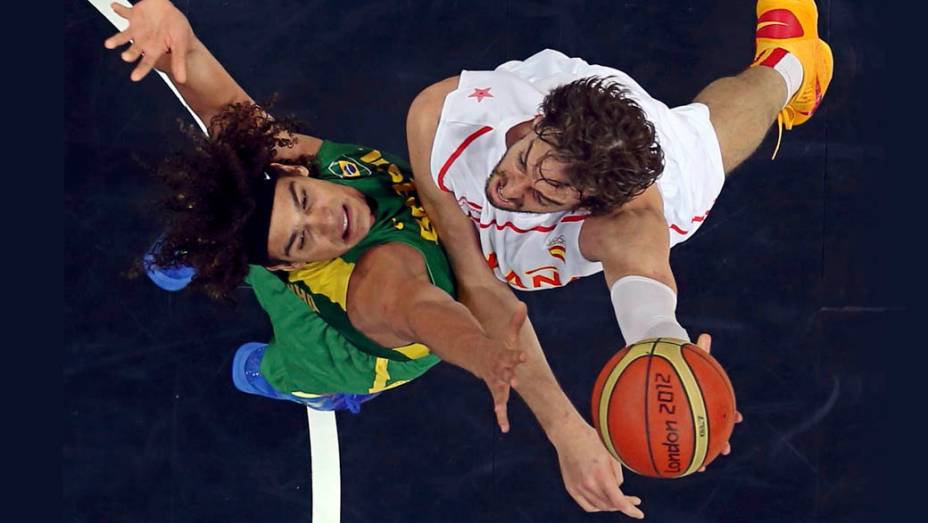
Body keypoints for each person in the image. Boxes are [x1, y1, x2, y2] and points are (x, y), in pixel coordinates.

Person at [403, 0, 830, 516]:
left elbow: (648, 308)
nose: (514, 187)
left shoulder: (627, 221)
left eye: (545, 194)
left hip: (648, 173)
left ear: (587, 208)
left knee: (704, 140)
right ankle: (788, 62)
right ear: (539, 124)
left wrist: (674, 358)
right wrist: (566, 428)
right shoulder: (442, 118)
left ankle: (788, 69)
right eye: (525, 161)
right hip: (587, 101)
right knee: (701, 134)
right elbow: (479, 282)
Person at [103, 0, 529, 429]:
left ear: (292, 169)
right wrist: (479, 350)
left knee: (287, 365)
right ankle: (218, 247)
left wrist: (184, 45)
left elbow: (228, 113)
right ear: (289, 266)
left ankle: (292, 383)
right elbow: (424, 311)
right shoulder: (365, 273)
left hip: (346, 358)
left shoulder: (352, 226)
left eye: (306, 201)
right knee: (239, 227)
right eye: (303, 239)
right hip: (318, 277)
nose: (329, 221)